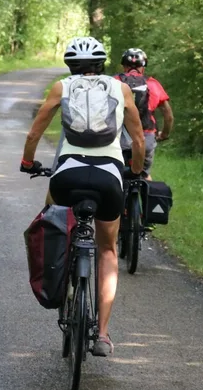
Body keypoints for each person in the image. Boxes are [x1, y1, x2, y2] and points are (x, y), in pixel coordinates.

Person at [20, 37, 145, 356]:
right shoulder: (122, 89)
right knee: (107, 250)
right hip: (108, 179)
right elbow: (139, 142)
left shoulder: (62, 88)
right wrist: (133, 170)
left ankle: (55, 277)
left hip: (66, 177)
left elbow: (35, 133)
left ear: (69, 65)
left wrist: (28, 163)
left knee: (53, 224)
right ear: (103, 64)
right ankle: (102, 334)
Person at [114, 48, 174, 180]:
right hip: (145, 137)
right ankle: (148, 197)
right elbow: (168, 115)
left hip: (118, 138)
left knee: (115, 175)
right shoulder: (153, 84)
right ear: (143, 67)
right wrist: (164, 134)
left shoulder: (114, 81)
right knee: (144, 175)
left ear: (124, 66)